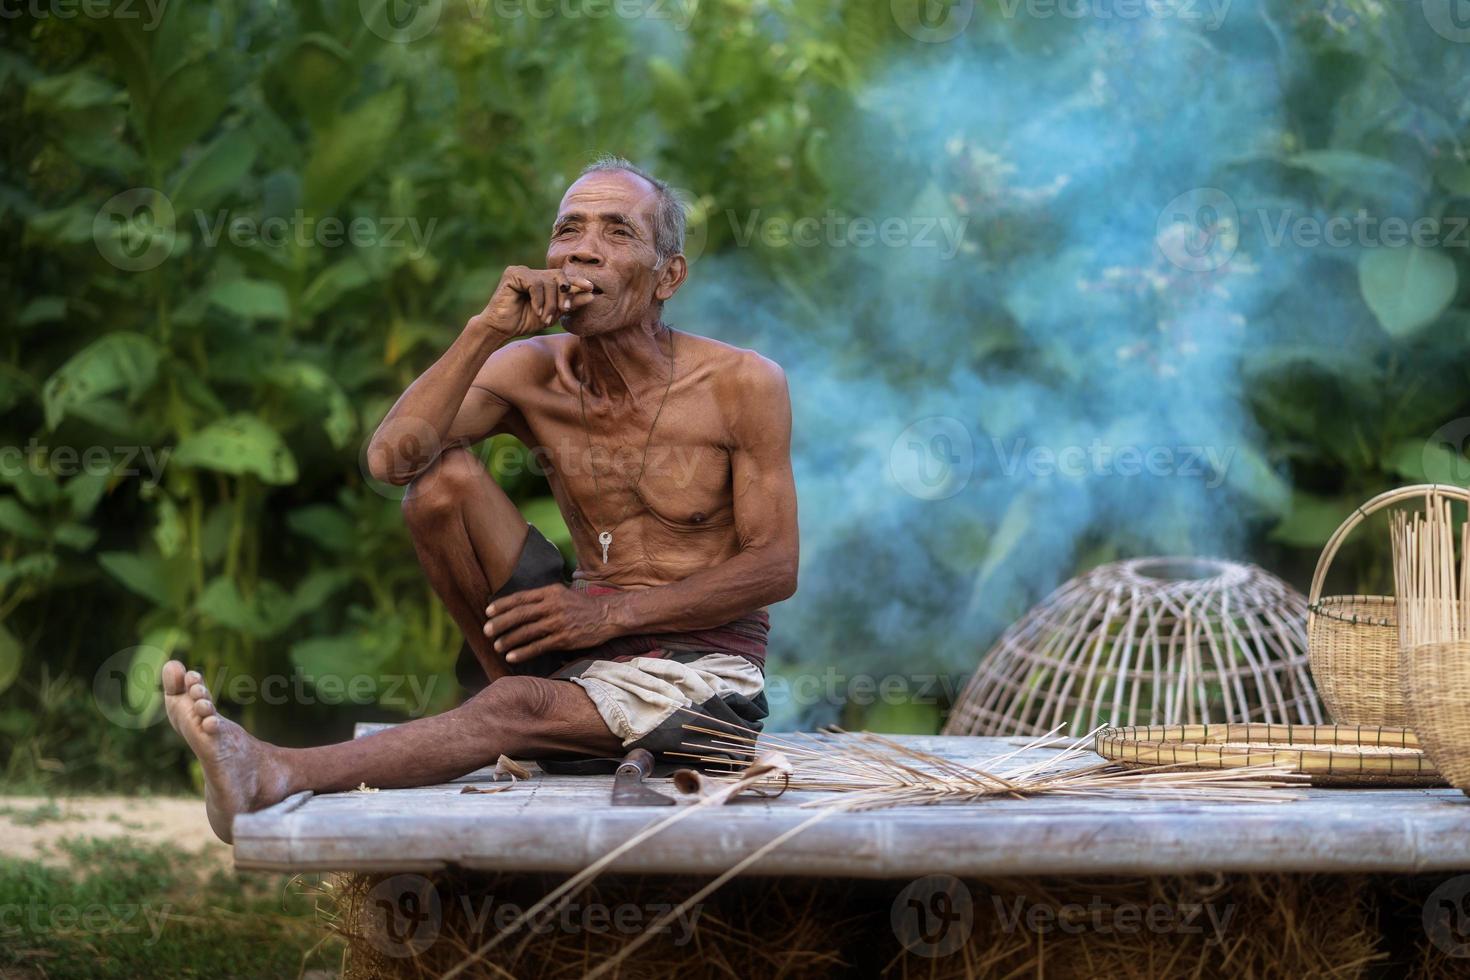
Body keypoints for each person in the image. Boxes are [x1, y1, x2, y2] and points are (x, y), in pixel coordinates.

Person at [161, 157, 799, 842]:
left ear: (667, 276)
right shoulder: (533, 370)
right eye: (568, 230)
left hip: (701, 679)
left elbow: (774, 568)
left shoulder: (742, 384)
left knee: (522, 700)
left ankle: (273, 771)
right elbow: (390, 459)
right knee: (440, 485)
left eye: (617, 232)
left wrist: (607, 615)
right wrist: (485, 331)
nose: (583, 248)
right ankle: (528, 716)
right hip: (580, 650)